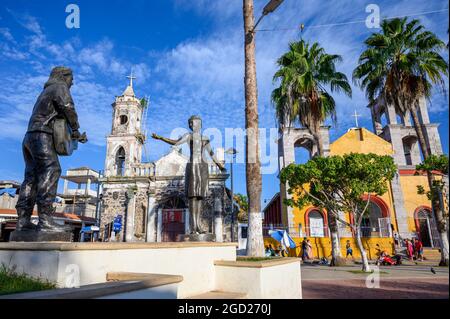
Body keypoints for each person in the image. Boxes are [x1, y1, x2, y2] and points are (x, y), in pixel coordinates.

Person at [15, 66, 87, 232]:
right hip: (42, 136)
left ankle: (23, 220)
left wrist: (74, 136)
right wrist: (75, 128)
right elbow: (68, 107)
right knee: (52, 170)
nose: (72, 83)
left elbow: (57, 117)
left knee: (31, 177)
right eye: (71, 79)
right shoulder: (59, 87)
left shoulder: (45, 92)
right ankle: (45, 219)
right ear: (63, 76)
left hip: (29, 137)